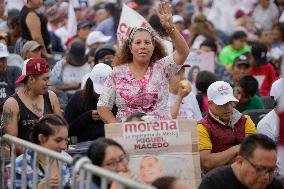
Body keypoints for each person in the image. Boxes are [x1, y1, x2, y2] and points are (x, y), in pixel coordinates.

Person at [97, 2, 190, 122]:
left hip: (160, 133)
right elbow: (102, 107)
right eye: (138, 42)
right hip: (128, 135)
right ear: (130, 47)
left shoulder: (163, 67)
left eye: (147, 43)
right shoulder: (117, 72)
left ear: (153, 47)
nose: (142, 46)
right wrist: (120, 129)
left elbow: (183, 52)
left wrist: (170, 27)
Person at [3, 57, 62, 151]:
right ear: (31, 79)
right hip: (25, 160)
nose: (49, 83)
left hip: (52, 156)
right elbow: (11, 141)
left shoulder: (51, 97)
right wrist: (37, 155)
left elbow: (61, 130)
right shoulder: (12, 104)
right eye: (45, 79)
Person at [197, 81, 256, 173]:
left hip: (246, 174)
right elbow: (207, 163)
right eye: (222, 104)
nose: (228, 107)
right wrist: (237, 149)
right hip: (218, 179)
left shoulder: (245, 120)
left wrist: (222, 158)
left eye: (229, 102)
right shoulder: (202, 127)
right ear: (210, 104)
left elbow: (253, 151)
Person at [198, 134, 281, 189]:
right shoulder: (214, 183)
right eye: (260, 169)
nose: (266, 177)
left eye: (271, 170)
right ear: (240, 161)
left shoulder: (275, 185)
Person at [12, 114, 71, 189]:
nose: (64, 146)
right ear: (41, 138)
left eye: (66, 140)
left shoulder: (66, 158)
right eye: (58, 140)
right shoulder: (18, 167)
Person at [65, 63, 115, 143]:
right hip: (78, 145)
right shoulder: (78, 98)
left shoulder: (116, 99)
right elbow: (67, 131)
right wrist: (86, 117)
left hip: (107, 145)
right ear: (90, 83)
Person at [0, 43, 22, 113]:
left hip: (11, 110)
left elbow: (19, 94)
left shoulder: (15, 70)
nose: (0, 63)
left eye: (3, 59)